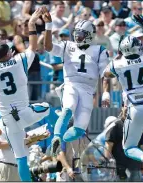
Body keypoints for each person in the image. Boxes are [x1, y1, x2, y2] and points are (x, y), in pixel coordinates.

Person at [0, 8, 53, 181]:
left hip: (8, 121)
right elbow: (33, 47)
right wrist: (31, 24)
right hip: (24, 114)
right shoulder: (18, 61)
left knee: (21, 158)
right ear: (9, 53)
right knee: (47, 107)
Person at [104, 14, 143, 180]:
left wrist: (105, 93)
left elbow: (106, 74)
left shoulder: (118, 64)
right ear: (138, 47)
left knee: (129, 147)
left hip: (135, 108)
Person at [41, 7, 110, 155]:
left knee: (79, 129)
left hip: (88, 90)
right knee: (68, 109)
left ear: (90, 35)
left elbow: (105, 74)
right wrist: (48, 26)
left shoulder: (99, 50)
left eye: (81, 34)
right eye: (76, 34)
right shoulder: (68, 45)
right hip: (71, 85)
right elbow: (48, 47)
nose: (77, 37)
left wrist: (106, 93)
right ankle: (57, 137)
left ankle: (60, 143)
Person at [105, 117, 143, 181]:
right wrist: (108, 167)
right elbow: (108, 146)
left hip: (135, 170)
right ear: (122, 108)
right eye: (126, 106)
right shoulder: (115, 125)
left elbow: (141, 148)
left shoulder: (139, 127)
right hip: (119, 170)